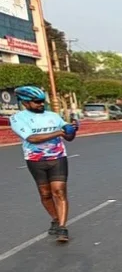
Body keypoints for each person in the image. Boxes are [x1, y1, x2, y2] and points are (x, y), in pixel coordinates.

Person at [9, 86, 78, 243]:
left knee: (59, 191)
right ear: (25, 103)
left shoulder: (54, 116)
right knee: (45, 194)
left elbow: (69, 138)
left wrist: (72, 130)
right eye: (37, 102)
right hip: (35, 160)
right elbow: (32, 138)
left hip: (58, 158)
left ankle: (62, 227)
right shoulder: (17, 118)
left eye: (42, 101)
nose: (41, 104)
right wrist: (59, 132)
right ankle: (55, 218)